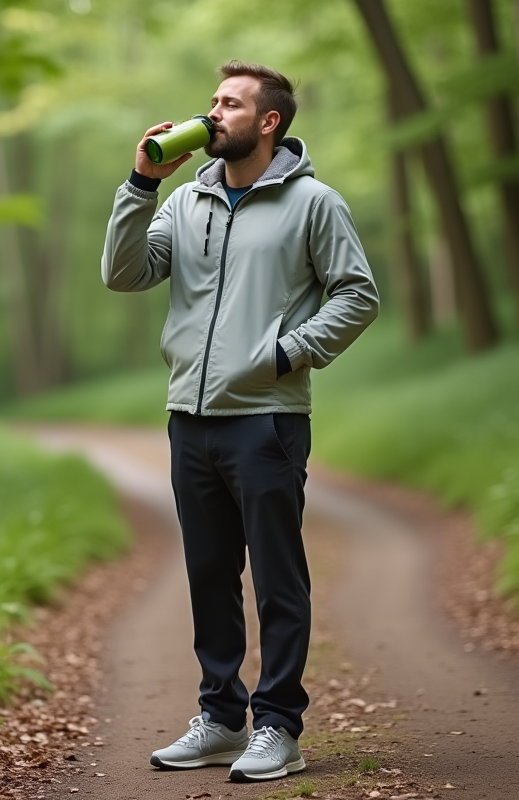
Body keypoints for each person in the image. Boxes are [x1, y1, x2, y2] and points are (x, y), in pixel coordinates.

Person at [100, 61, 379, 783]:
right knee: (209, 574)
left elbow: (356, 295)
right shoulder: (186, 202)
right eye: (213, 101)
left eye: (231, 103)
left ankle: (279, 726)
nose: (214, 112)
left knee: (278, 580)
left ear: (269, 122)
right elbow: (123, 273)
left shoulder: (314, 203)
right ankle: (221, 719)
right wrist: (141, 184)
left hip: (267, 420)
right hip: (188, 419)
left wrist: (288, 353)